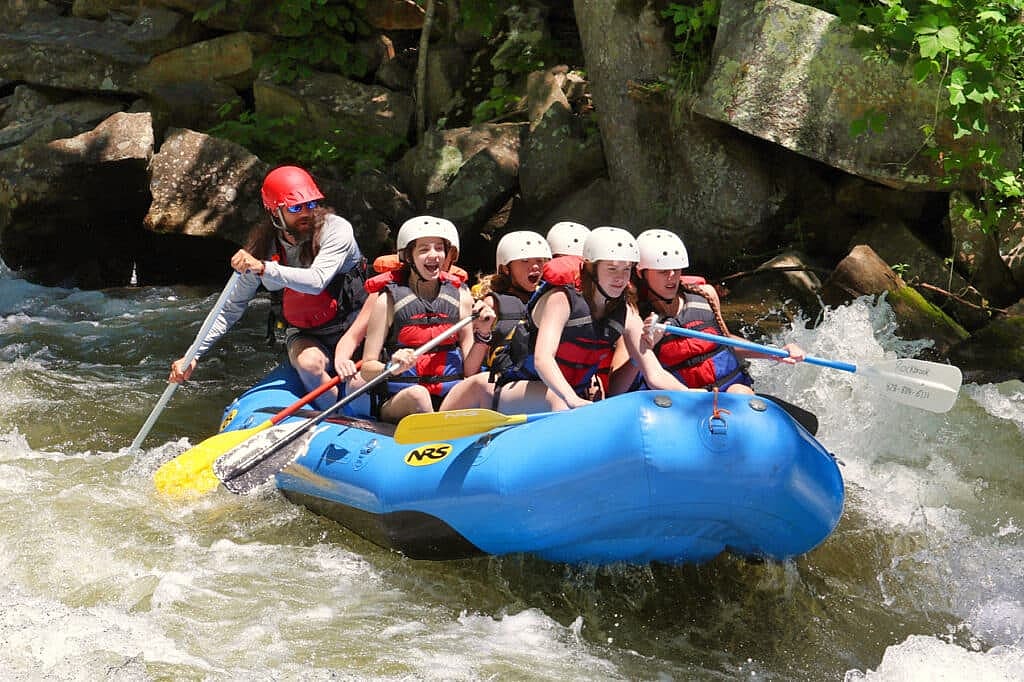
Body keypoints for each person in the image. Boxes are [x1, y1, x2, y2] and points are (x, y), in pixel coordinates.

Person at [169, 165, 367, 409]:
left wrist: (264, 269)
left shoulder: (336, 229)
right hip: (307, 332)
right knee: (309, 365)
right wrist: (194, 354)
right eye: (295, 208)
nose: (306, 213)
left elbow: (317, 281)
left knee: (363, 379)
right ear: (275, 212)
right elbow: (230, 307)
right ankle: (336, 414)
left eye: (311, 204)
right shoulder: (262, 248)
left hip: (355, 323)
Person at [444, 226, 688, 414]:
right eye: (612, 269)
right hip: (519, 386)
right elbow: (542, 359)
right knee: (557, 400)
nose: (620, 278)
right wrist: (571, 398)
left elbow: (655, 374)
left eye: (626, 269)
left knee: (562, 400)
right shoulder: (562, 299)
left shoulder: (626, 311)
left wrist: (696, 397)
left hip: (568, 393)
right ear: (591, 268)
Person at [627, 228, 805, 394]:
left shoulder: (705, 295)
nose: (672, 276)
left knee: (739, 392)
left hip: (731, 391)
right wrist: (644, 346)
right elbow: (623, 382)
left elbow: (726, 341)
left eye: (676, 268)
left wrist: (774, 353)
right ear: (641, 274)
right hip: (684, 401)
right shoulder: (635, 317)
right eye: (663, 271)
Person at [353, 215, 494, 423]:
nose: (434, 255)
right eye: (424, 249)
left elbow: (470, 370)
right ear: (408, 256)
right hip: (402, 400)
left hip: (448, 397)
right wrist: (390, 366)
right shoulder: (387, 300)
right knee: (419, 395)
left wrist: (484, 332)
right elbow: (367, 368)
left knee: (484, 381)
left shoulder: (461, 296)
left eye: (439, 248)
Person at [437, 231, 551, 411]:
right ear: (506, 268)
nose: (535, 266)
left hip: (539, 382)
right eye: (525, 261)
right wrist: (484, 331)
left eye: (539, 260)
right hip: (501, 384)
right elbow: (470, 371)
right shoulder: (491, 304)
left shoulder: (551, 300)